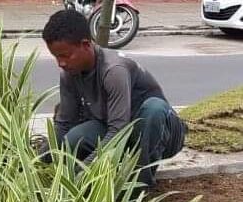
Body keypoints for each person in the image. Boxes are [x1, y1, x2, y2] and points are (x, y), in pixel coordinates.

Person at [42, 9, 186, 187]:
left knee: (153, 109)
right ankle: (108, 175)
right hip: (120, 131)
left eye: (65, 55)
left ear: (86, 44)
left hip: (161, 135)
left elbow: (118, 129)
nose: (61, 63)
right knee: (73, 138)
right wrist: (37, 162)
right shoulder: (69, 73)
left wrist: (84, 172)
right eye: (56, 57)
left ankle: (137, 187)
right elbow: (64, 123)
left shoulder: (113, 70)